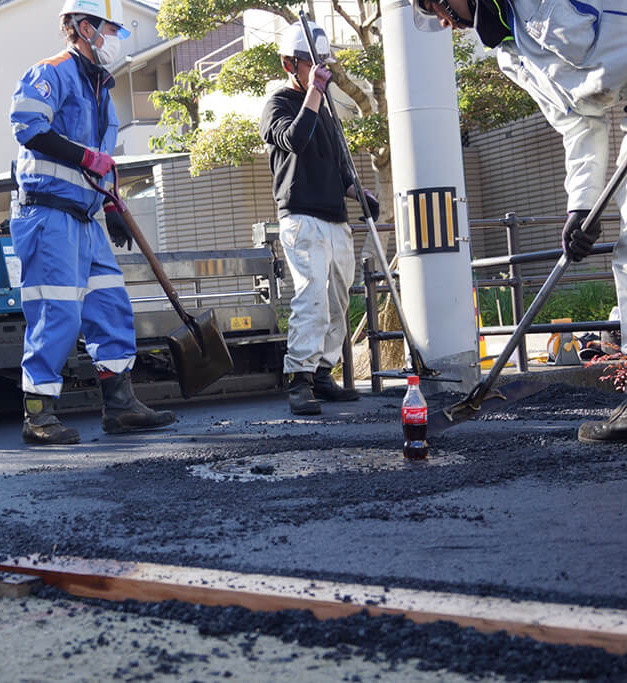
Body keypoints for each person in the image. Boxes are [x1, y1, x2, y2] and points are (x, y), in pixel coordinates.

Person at [412, 0, 627, 442]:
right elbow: (579, 121)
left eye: (437, 4)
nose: (441, 19)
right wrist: (581, 206)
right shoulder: (511, 54)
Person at [8, 0, 175, 445]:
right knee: (56, 311)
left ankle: (120, 406)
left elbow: (103, 165)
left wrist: (114, 209)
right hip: (48, 214)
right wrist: (84, 156)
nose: (115, 39)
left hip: (87, 216)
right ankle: (39, 415)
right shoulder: (52, 72)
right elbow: (27, 127)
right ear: (83, 27)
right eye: (110, 29)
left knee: (111, 307)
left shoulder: (101, 84)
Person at [259, 21, 378, 416]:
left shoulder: (326, 111)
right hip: (301, 216)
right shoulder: (279, 104)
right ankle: (299, 378)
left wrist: (359, 193)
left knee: (337, 298)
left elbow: (339, 169)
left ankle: (324, 372)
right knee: (311, 297)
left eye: (322, 62)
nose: (321, 69)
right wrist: (313, 93)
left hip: (334, 217)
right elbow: (294, 140)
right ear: (290, 64)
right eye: (312, 61)